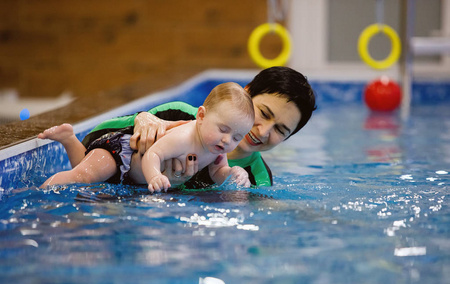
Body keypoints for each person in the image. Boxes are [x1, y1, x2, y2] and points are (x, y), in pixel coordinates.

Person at [80, 67, 317, 188]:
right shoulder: (177, 116)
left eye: (280, 130)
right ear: (245, 93)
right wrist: (139, 119)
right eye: (264, 113)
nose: (263, 131)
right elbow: (93, 136)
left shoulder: (257, 180)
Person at [39, 82, 255, 193]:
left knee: (86, 171)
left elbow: (217, 172)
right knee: (83, 175)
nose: (227, 141)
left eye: (237, 137)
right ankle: (41, 193)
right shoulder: (185, 136)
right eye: (223, 129)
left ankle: (68, 139)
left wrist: (232, 172)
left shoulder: (217, 148)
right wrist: (154, 176)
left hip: (130, 177)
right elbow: (153, 154)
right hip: (120, 154)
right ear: (201, 116)